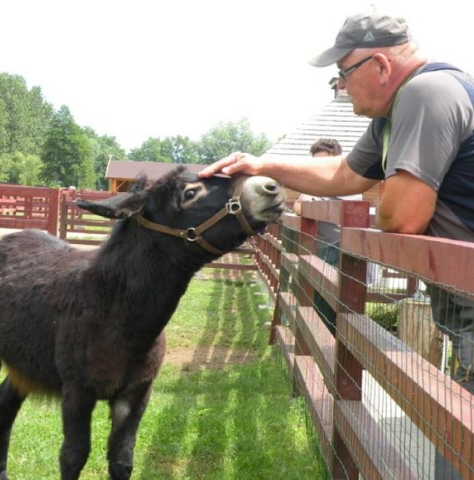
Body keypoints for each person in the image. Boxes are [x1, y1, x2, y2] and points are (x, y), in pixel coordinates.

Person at [200, 9, 474, 478]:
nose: (341, 87)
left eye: (343, 74)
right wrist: (264, 164)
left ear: (381, 67)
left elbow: (403, 216)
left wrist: (388, 201)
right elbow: (345, 174)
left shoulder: (427, 94)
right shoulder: (393, 116)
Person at [293, 138, 362, 335]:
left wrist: (306, 196)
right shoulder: (321, 186)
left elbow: (303, 205)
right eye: (316, 162)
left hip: (338, 251)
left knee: (329, 304)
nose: (319, 167)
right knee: (317, 299)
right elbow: (299, 207)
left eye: (324, 162)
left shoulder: (346, 185)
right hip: (322, 250)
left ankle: (327, 351)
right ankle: (318, 348)